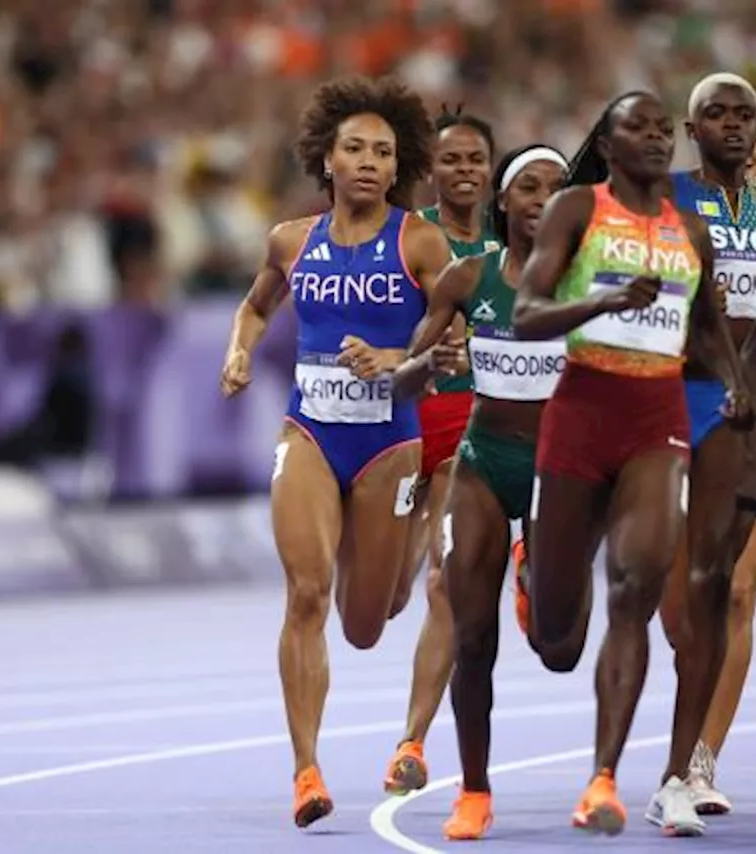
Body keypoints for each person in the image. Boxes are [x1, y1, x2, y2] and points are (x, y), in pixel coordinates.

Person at [512, 90, 751, 835]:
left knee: (635, 587)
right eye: (636, 129)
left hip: (658, 419)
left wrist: (740, 386)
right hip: (581, 413)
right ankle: (539, 574)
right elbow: (526, 314)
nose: (654, 139)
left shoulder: (690, 232)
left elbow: (709, 329)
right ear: (607, 145)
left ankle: (604, 777)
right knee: (557, 639)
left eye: (660, 129)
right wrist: (603, 303)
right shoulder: (577, 210)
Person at [218, 75, 450, 829]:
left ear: (398, 166)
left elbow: (458, 334)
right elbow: (256, 308)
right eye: (354, 148)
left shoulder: (419, 240)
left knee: (366, 621)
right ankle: (306, 770)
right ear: (326, 159)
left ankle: (414, 538)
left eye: (383, 152)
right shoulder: (292, 240)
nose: (369, 163)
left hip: (390, 443)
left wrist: (397, 362)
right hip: (310, 433)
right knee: (308, 593)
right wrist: (238, 352)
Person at [391, 142, 570, 839]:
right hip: (482, 463)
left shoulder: (590, 281)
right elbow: (404, 377)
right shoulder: (467, 278)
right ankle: (473, 789)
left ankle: (536, 573)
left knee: (558, 647)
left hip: (560, 472)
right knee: (472, 629)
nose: (544, 197)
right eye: (530, 185)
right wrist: (423, 365)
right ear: (504, 200)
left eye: (559, 187)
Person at [648, 73, 756, 832]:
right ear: (691, 126)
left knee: (733, 593)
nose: (734, 126)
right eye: (717, 114)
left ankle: (694, 764)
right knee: (678, 614)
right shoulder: (666, 196)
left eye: (746, 116)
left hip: (752, 421)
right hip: (675, 407)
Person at [384, 106, 500, 797]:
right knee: (387, 600)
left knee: (441, 584)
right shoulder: (409, 238)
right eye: (450, 159)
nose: (463, 171)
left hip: (476, 425)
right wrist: (415, 353)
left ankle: (411, 742)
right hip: (406, 423)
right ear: (431, 169)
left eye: (474, 159)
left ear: (490, 169)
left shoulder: (514, 239)